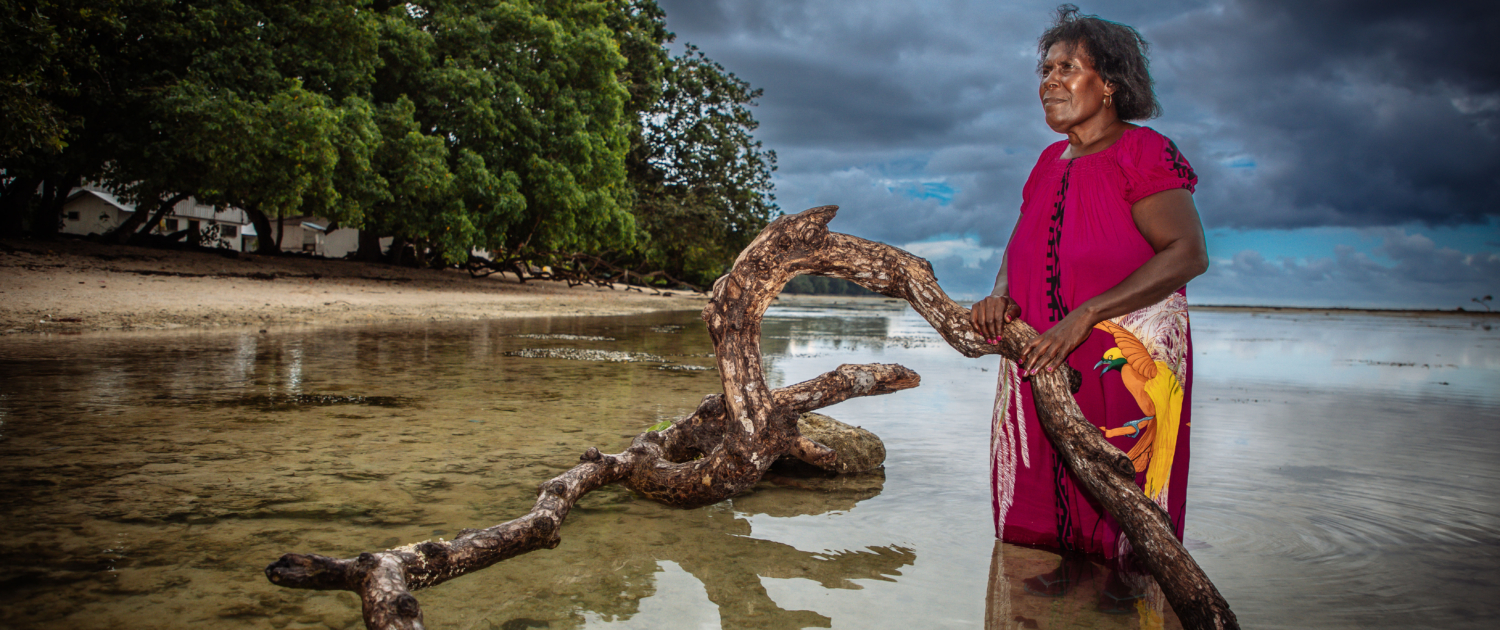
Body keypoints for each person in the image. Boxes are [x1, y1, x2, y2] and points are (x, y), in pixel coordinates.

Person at [969, 4, 1208, 606]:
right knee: (1049, 485)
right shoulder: (1048, 162)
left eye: (1067, 68)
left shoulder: (1143, 151)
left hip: (1123, 355)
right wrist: (998, 296)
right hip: (1043, 351)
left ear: (1110, 85)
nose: (1049, 81)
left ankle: (1122, 601)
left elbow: (1186, 253)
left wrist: (1086, 314)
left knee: (1122, 484)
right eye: (1045, 69)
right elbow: (1019, 243)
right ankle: (1065, 599)